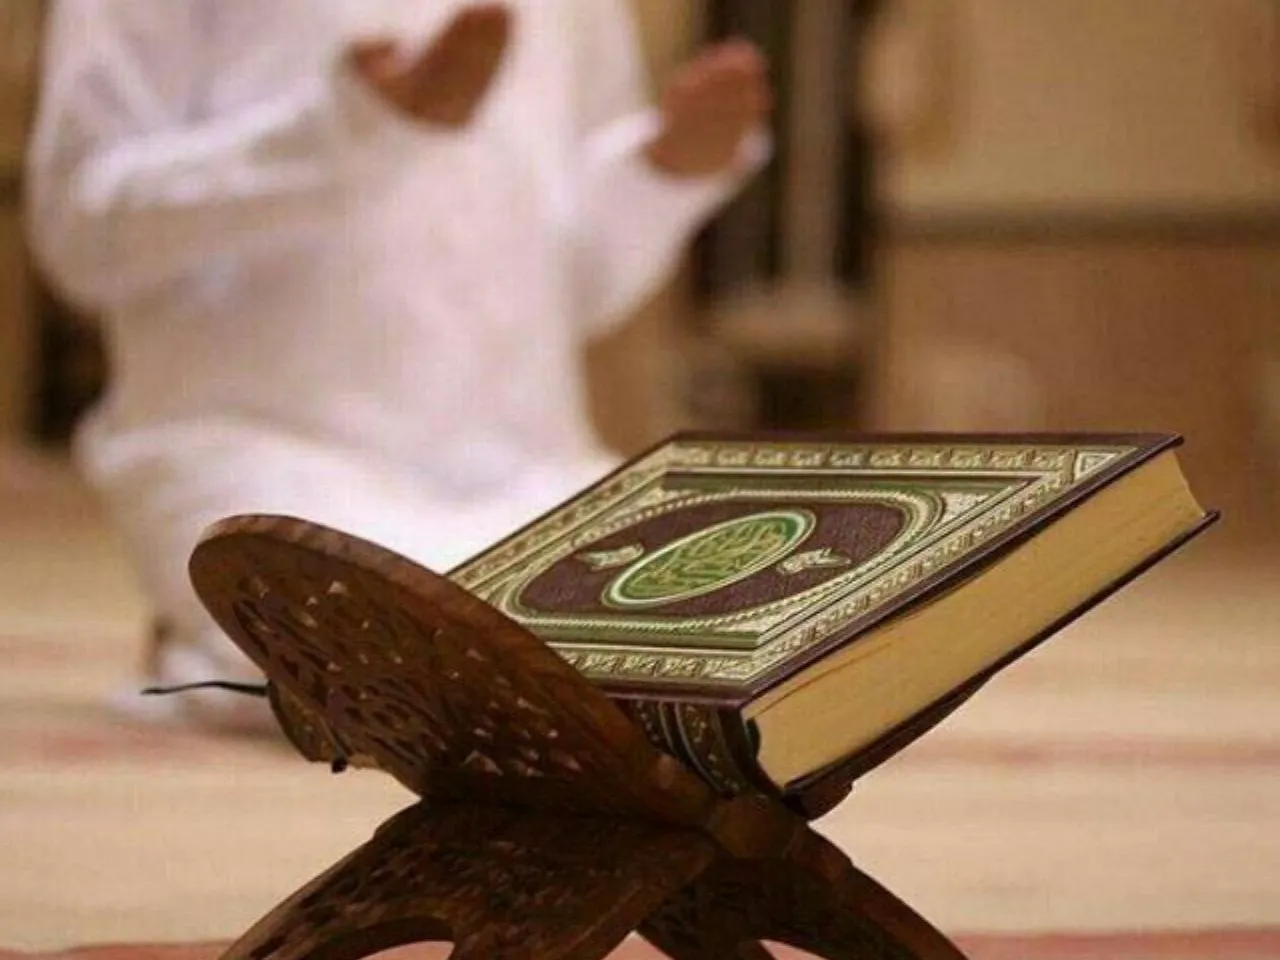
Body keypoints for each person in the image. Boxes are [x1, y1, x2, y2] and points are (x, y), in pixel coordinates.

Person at [26, 0, 771, 732]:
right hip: (262, 462)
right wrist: (347, 135)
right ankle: (225, 650)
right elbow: (80, 230)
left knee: (778, 632)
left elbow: (569, 291)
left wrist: (663, 174)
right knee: (415, 661)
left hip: (533, 480)